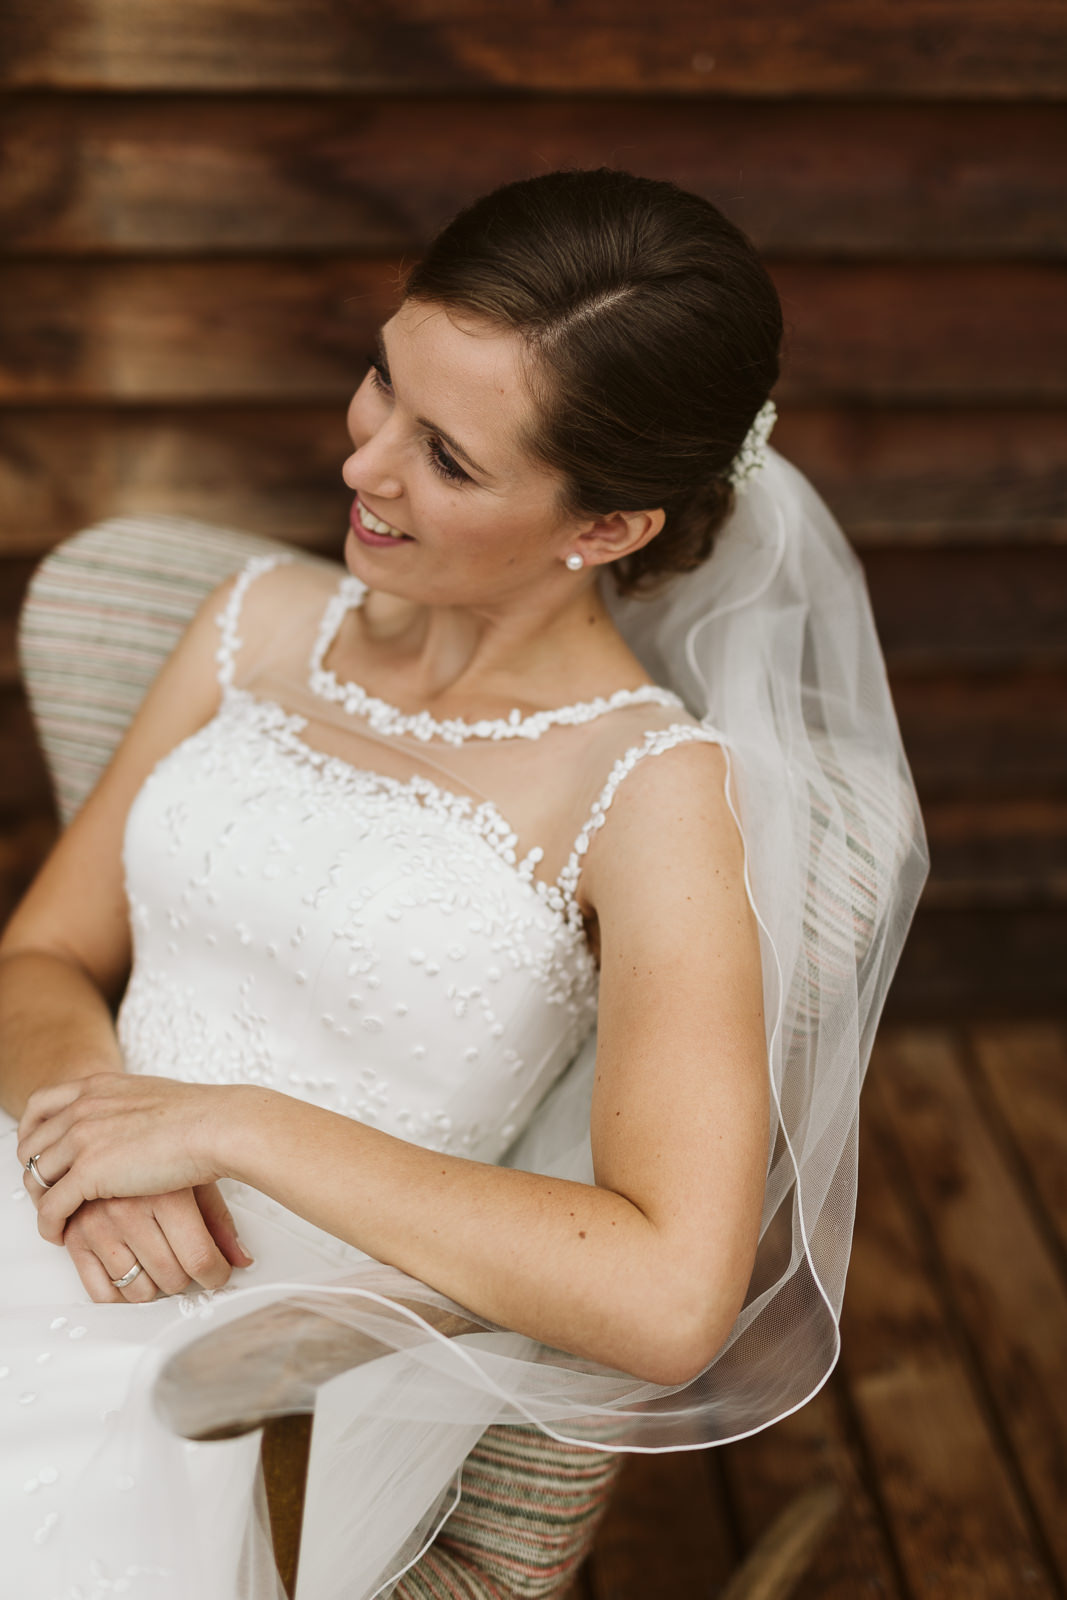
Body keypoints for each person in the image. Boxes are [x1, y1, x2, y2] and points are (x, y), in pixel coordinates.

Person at [0, 168, 928, 1599]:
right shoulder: (253, 627)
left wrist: (231, 1127)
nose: (365, 464)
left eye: (450, 457)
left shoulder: (654, 795)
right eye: (382, 382)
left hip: (254, 1352)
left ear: (607, 528)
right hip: (50, 1192)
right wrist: (86, 1152)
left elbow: (671, 1296)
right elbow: (42, 958)